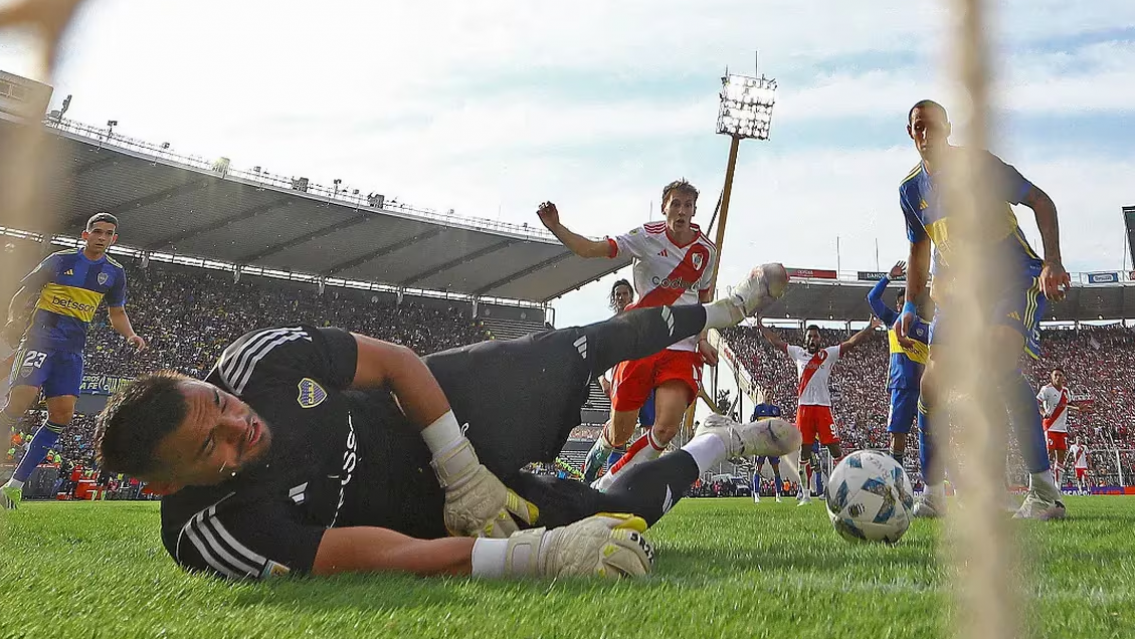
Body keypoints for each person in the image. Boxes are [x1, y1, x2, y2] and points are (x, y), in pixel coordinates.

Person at [94, 265, 797, 580]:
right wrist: (533, 555)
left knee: (575, 344)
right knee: (614, 524)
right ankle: (725, 442)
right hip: (424, 516)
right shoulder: (211, 534)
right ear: (163, 486)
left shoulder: (252, 362)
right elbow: (375, 556)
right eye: (209, 442)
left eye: (216, 402)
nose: (235, 423)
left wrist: (461, 466)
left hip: (431, 410)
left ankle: (721, 309)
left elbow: (398, 361)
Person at [894, 99, 1070, 520]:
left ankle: (1045, 494)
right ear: (910, 133)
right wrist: (908, 307)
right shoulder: (911, 190)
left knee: (996, 361)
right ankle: (933, 494)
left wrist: (1053, 261)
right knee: (932, 383)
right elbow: (919, 252)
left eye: (933, 125)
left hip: (1013, 277)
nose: (926, 133)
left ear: (948, 127)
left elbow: (1041, 201)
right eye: (918, 127)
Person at [536, 180, 720, 492]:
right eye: (675, 204)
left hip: (682, 348)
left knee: (664, 429)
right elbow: (590, 249)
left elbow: (704, 302)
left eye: (687, 205)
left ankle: (608, 485)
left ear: (694, 211)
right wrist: (556, 226)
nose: (681, 211)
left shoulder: (706, 251)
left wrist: (702, 339)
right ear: (664, 207)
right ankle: (600, 453)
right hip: (640, 342)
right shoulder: (645, 237)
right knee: (621, 433)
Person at [1, 212, 146, 509]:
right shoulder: (60, 261)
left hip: (72, 351)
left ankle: (13, 486)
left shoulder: (114, 273)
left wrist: (131, 335)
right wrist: (14, 319)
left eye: (108, 233)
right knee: (19, 403)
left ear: (114, 239)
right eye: (97, 231)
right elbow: (22, 293)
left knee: (62, 416)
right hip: (40, 341)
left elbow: (116, 313)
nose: (102, 237)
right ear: (85, 234)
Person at [759, 318, 881, 505]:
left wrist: (868, 328)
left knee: (835, 449)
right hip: (804, 409)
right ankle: (806, 495)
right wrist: (761, 327)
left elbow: (851, 343)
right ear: (805, 339)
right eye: (810, 336)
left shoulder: (828, 354)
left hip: (823, 408)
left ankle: (844, 489)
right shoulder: (797, 353)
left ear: (820, 339)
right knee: (804, 451)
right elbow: (776, 342)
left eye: (816, 336)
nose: (813, 339)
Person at [866, 261, 939, 517]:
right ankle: (895, 484)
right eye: (898, 304)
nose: (900, 307)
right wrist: (888, 276)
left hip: (926, 386)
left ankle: (932, 487)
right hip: (900, 385)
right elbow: (872, 299)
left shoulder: (927, 328)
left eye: (904, 303)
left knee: (929, 435)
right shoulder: (893, 321)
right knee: (898, 435)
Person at [585, 279, 656, 482]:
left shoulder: (643, 321)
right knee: (619, 437)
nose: (621, 297)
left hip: (645, 382)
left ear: (631, 296)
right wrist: (602, 379)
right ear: (613, 299)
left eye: (625, 293)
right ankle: (603, 473)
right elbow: (600, 357)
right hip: (621, 383)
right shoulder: (610, 327)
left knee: (651, 431)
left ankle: (643, 479)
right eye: (617, 294)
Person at [1036, 367, 1079, 492]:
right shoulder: (1046, 389)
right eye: (1055, 375)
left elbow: (1070, 404)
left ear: (1063, 377)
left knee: (1061, 455)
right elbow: (1037, 402)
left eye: (1060, 375)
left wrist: (1080, 408)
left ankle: (1057, 486)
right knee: (1049, 453)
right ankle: (1042, 482)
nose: (1058, 377)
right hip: (1050, 426)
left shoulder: (1066, 391)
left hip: (1062, 428)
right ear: (1051, 376)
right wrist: (1043, 412)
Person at [749, 401, 786, 503]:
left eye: (770, 392)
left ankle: (778, 495)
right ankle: (756, 494)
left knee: (776, 470)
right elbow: (752, 424)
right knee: (758, 468)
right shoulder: (758, 408)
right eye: (767, 392)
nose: (768, 394)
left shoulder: (776, 409)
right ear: (764, 394)